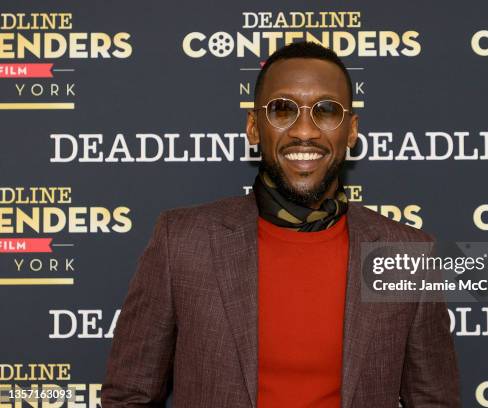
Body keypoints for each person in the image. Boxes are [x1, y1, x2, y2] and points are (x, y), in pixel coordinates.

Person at [101, 41, 460, 408]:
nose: (304, 131)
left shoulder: (406, 255)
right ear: (254, 128)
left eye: (325, 111)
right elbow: (129, 396)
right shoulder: (182, 241)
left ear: (351, 132)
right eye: (283, 109)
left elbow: (432, 400)